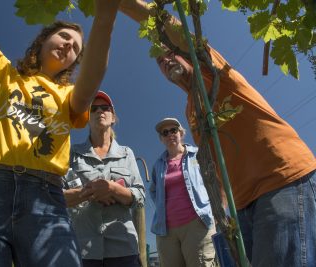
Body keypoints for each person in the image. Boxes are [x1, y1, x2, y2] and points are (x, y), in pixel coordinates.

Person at [119, 1, 316, 266]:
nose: (164, 60)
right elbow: (213, 161)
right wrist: (224, 214)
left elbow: (171, 27)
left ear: (184, 52)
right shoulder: (191, 108)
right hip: (244, 205)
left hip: (281, 180)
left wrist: (123, 4)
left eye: (168, 52)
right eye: (158, 61)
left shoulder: (212, 73)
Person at [0, 0, 122, 266]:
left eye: (76, 48)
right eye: (64, 36)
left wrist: (105, 18)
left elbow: (93, 77)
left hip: (45, 199)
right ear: (44, 38)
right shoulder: (1, 72)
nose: (69, 44)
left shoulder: (69, 95)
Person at [63, 91, 145, 267]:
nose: (100, 111)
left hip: (123, 249)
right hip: (82, 249)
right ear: (86, 117)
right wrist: (89, 192)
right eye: (93, 108)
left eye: (105, 108)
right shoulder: (72, 153)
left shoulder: (126, 153)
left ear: (113, 117)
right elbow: (57, 196)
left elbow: (139, 196)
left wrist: (113, 189)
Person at [150, 117, 216, 267]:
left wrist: (213, 209)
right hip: (166, 231)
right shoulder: (158, 165)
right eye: (165, 132)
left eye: (173, 130)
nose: (170, 134)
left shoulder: (197, 155)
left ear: (181, 133)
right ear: (161, 139)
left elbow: (212, 181)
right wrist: (162, 207)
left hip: (197, 225)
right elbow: (153, 191)